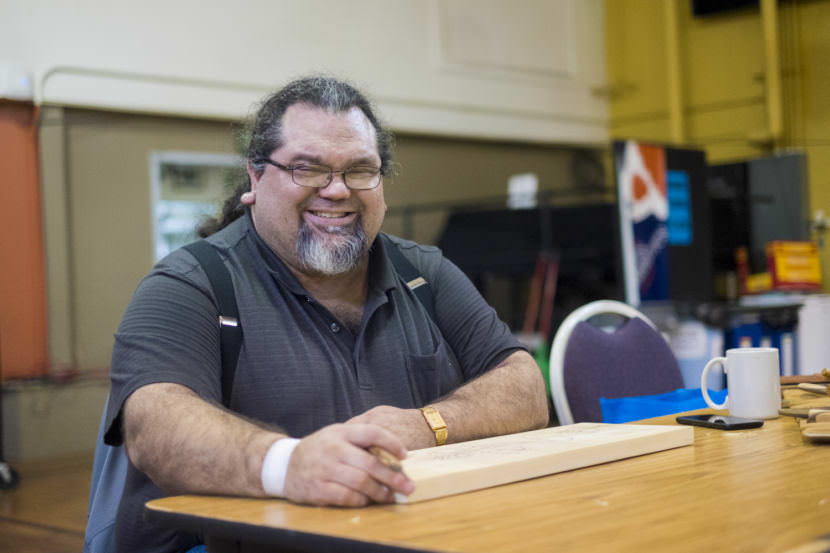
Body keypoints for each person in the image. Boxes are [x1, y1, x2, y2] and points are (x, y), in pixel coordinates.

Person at [105, 75, 548, 553]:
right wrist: (289, 465)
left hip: (405, 537)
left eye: (360, 169)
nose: (337, 191)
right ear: (255, 178)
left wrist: (427, 425)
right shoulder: (191, 284)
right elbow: (155, 425)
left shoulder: (423, 273)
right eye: (308, 169)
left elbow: (524, 385)